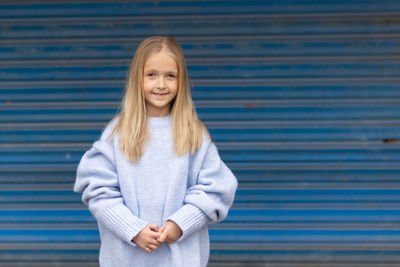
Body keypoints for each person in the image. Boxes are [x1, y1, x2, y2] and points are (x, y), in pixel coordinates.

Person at [73, 35, 238, 267]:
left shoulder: (193, 133)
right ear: (137, 78)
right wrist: (133, 229)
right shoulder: (117, 133)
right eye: (151, 75)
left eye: (170, 76)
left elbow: (217, 189)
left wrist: (180, 223)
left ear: (181, 81)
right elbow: (97, 189)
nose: (161, 85)